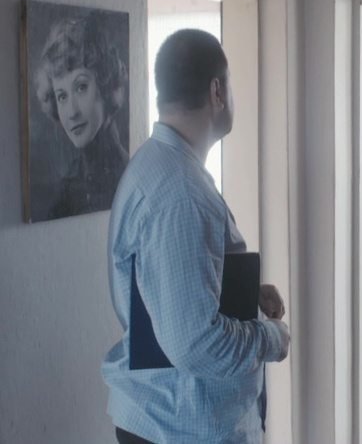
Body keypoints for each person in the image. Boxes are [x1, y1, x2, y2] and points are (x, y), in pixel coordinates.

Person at [102, 29, 290, 443]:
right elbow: (196, 344)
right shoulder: (181, 194)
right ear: (217, 91)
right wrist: (271, 338)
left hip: (166, 419)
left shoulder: (155, 163)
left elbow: (161, 290)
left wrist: (241, 295)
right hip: (181, 427)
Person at [34, 12, 129, 219]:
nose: (72, 112)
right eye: (62, 96)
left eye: (81, 87)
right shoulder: (67, 192)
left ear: (104, 83)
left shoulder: (130, 176)